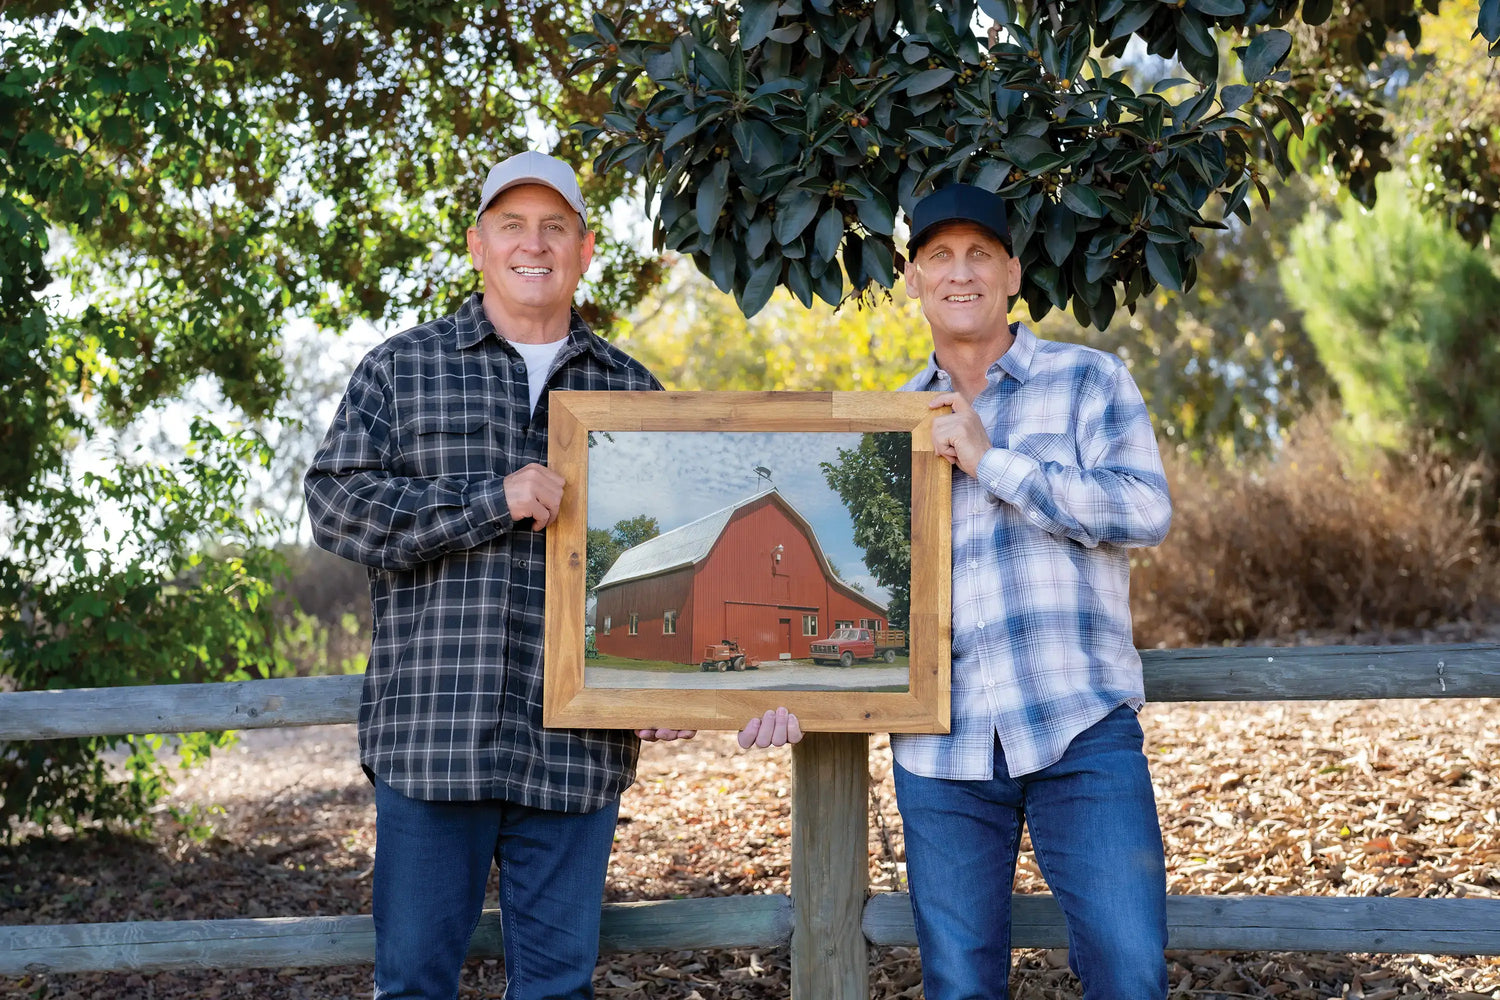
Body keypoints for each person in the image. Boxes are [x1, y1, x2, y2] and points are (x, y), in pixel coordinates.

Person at [304, 151, 796, 1000]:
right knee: (414, 984)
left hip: (575, 755)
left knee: (557, 992)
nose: (534, 245)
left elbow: (675, 558)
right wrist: (490, 501)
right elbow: (336, 508)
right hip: (432, 740)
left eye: (555, 228)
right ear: (477, 245)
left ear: (585, 248)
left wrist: (664, 693)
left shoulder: (632, 392)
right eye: (512, 226)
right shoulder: (403, 368)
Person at [892, 183, 1174, 1000]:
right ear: (913, 278)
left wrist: (993, 462)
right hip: (941, 748)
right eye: (939, 255)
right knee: (958, 987)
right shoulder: (892, 420)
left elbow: (1143, 510)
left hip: (1079, 728)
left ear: (1013, 272)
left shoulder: (1089, 380)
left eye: (980, 253)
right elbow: (866, 590)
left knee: (1129, 973)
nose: (960, 272)